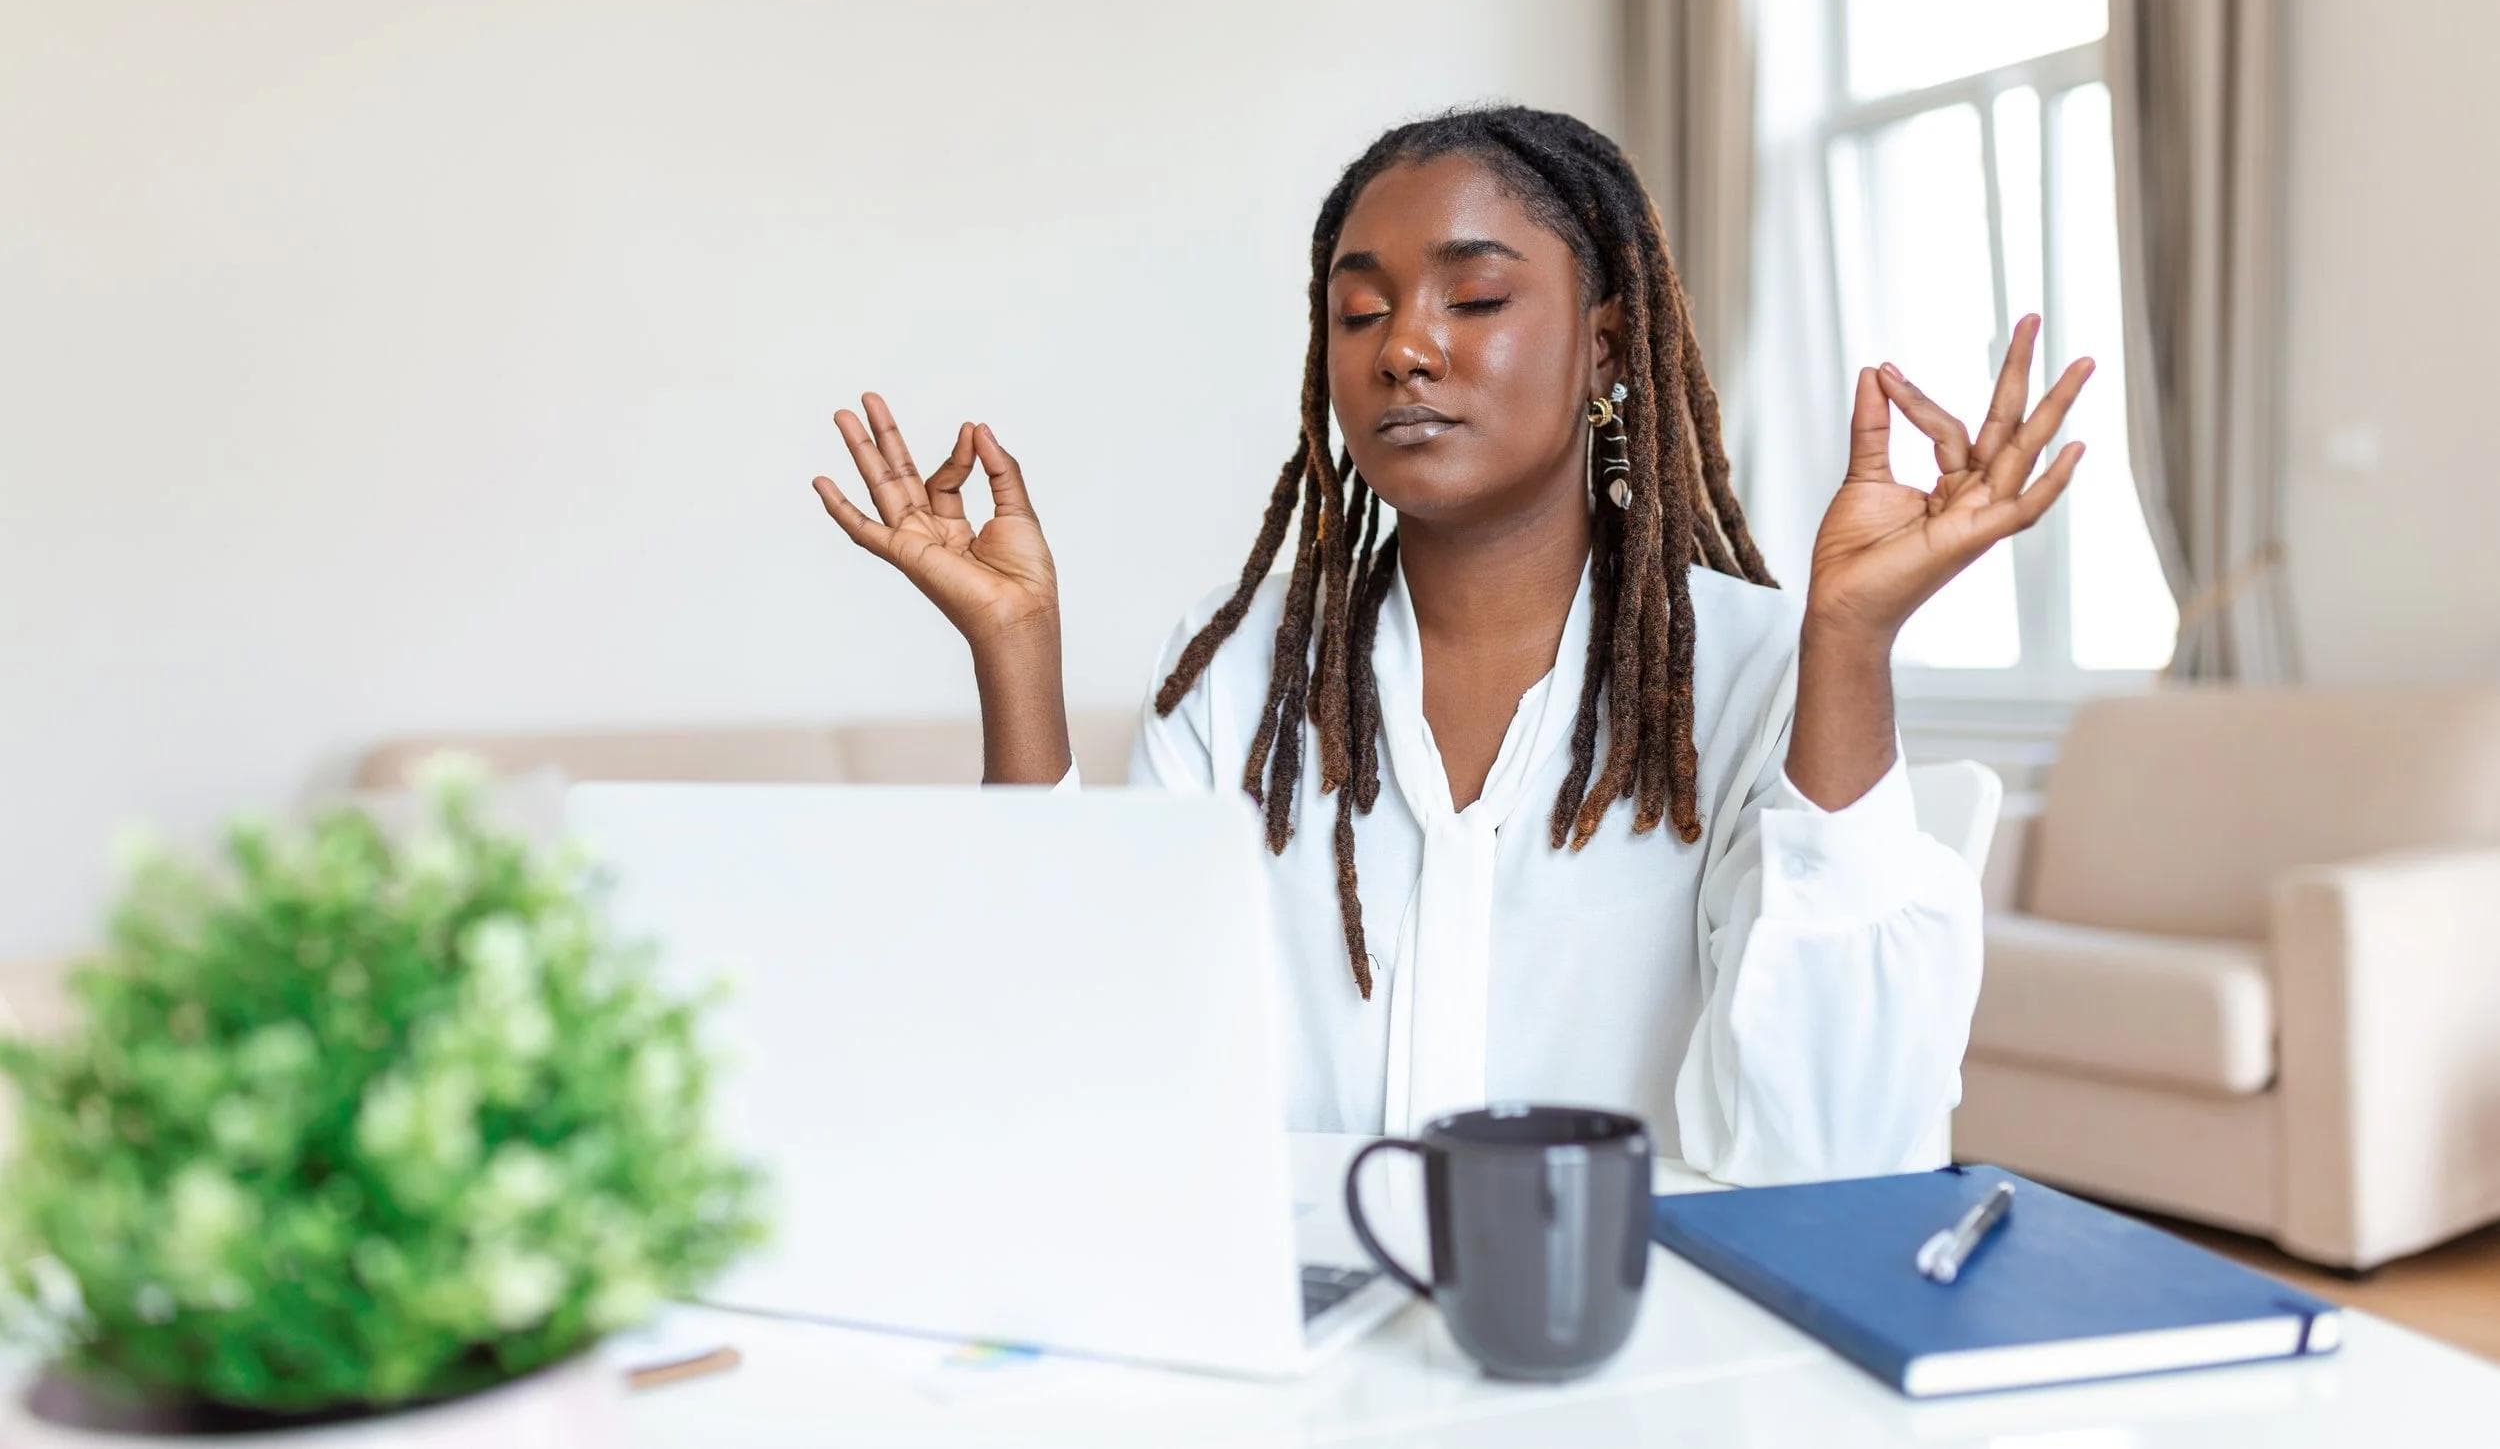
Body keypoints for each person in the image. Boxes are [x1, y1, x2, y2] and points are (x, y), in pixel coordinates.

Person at [811, 105, 2090, 1184]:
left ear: (1605, 344)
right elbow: (1077, 1074)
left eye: (1474, 297)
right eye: (1358, 315)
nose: (1405, 348)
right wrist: (1015, 653)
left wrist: (1851, 642)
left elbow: (1835, 1153)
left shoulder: (1764, 669)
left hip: (1659, 1353)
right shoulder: (1238, 684)